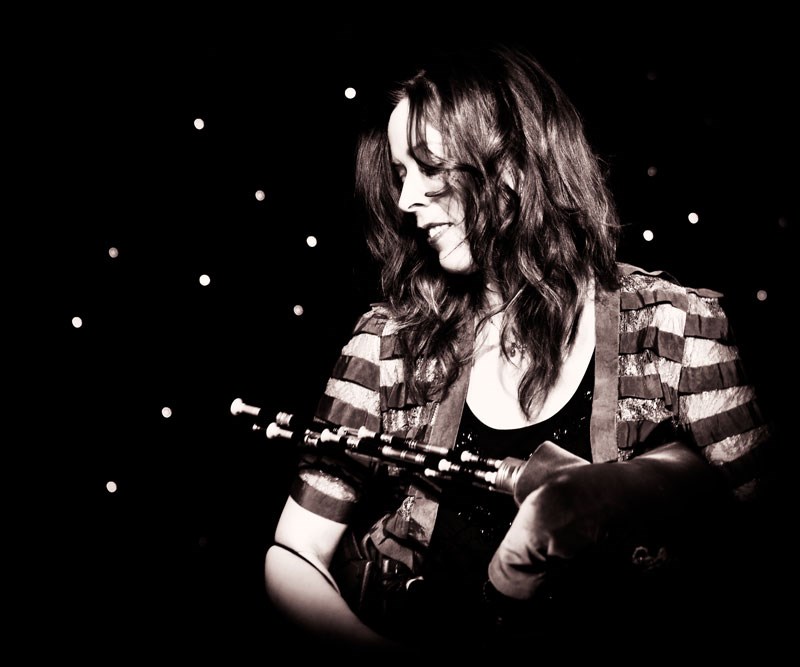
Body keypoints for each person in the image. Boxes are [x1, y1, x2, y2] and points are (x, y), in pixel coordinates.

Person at [262, 43, 778, 660]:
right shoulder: (390, 343)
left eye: (429, 167)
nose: (405, 201)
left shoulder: (675, 330)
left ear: (512, 164)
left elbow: (771, 544)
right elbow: (294, 552)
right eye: (400, 175)